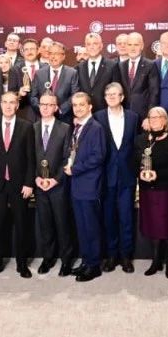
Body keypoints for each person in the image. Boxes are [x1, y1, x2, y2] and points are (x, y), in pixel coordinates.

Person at [0, 92, 36, 279]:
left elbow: (31, 158)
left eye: (12, 102)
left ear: (17, 105)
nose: (8, 105)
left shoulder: (26, 127)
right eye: (4, 102)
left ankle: (22, 263)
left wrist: (29, 183)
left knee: (21, 224)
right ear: (0, 104)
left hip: (19, 184)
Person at [93, 82, 139, 272]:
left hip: (127, 176)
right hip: (106, 176)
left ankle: (126, 256)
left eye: (115, 94)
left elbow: (136, 146)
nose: (111, 97)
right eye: (108, 94)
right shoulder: (97, 117)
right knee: (109, 218)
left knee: (127, 218)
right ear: (105, 98)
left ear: (122, 97)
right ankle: (112, 255)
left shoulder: (133, 117)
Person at [134, 107, 168, 277]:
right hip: (147, 190)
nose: (154, 120)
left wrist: (157, 174)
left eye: (158, 117)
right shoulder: (141, 140)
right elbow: (133, 162)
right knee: (153, 225)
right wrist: (140, 173)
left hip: (165, 190)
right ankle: (156, 261)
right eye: (151, 117)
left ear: (165, 120)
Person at [67, 92, 107, 282]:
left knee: (91, 227)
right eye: (75, 105)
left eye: (81, 104)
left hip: (89, 184)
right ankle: (86, 261)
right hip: (77, 184)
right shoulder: (78, 127)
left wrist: (75, 169)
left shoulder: (95, 128)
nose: (78, 108)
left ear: (90, 106)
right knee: (82, 227)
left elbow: (98, 157)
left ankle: (94, 266)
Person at [33, 92, 75, 276]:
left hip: (58, 185)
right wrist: (36, 178)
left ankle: (66, 260)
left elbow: (68, 157)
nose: (45, 108)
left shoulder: (65, 128)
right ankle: (48, 257)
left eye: (50, 105)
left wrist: (56, 179)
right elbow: (28, 157)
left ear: (56, 108)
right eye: (43, 104)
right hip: (40, 184)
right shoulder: (32, 128)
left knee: (62, 223)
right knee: (45, 224)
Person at [119, 32, 160, 118]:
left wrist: (150, 115)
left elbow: (154, 93)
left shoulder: (150, 65)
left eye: (136, 45)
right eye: (129, 45)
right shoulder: (120, 66)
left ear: (142, 46)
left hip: (143, 114)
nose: (132, 48)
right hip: (123, 114)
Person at [32, 42, 77, 122]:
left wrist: (60, 109)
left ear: (63, 56)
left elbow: (74, 95)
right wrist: (42, 108)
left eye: (56, 53)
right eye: (50, 53)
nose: (53, 56)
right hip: (43, 118)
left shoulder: (72, 73)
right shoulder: (39, 73)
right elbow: (33, 96)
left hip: (64, 118)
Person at [76, 32, 118, 112]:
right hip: (84, 113)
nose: (92, 47)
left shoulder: (112, 66)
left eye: (95, 44)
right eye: (89, 44)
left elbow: (116, 91)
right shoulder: (78, 68)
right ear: (86, 47)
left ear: (101, 46)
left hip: (106, 112)